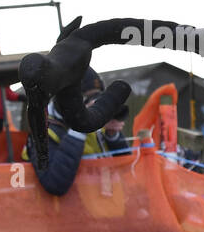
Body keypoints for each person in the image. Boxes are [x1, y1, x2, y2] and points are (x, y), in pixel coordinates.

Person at [25, 67, 131, 195]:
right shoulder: (43, 131)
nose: (95, 105)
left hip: (105, 208)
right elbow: (54, 184)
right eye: (87, 98)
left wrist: (113, 136)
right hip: (65, 212)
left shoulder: (97, 123)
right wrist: (80, 125)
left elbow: (126, 168)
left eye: (98, 97)